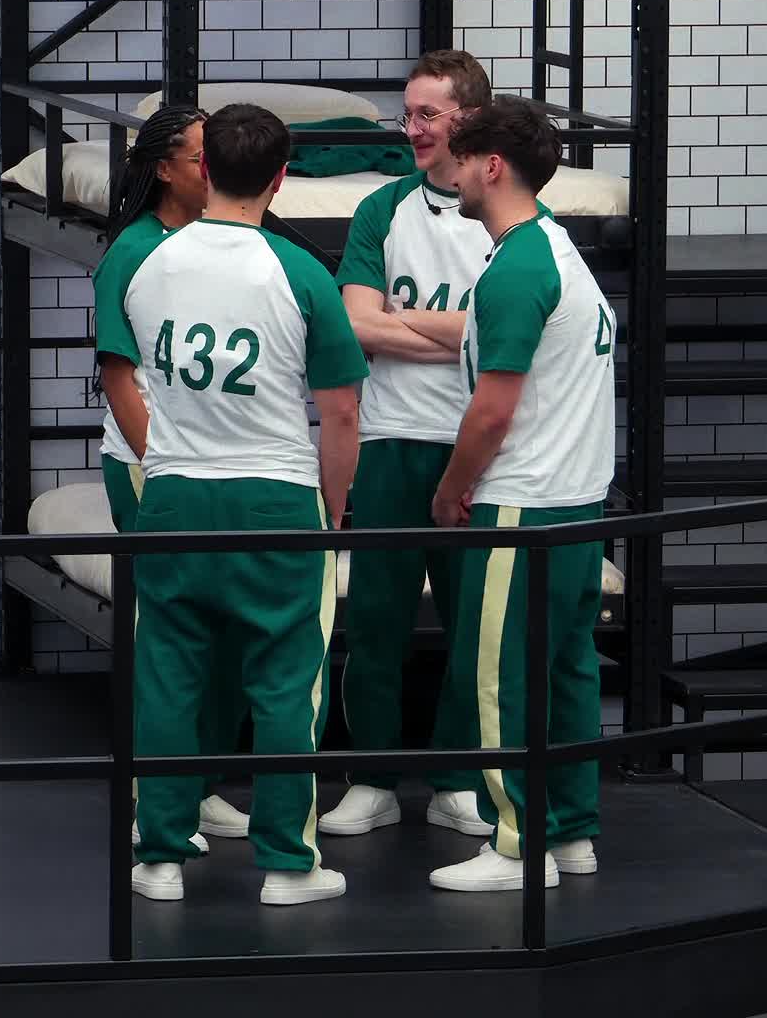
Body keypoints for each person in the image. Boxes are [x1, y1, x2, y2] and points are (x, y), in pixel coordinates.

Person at [97, 102, 370, 905]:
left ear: (206, 167)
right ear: (281, 177)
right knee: (285, 683)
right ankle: (287, 863)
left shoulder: (144, 262)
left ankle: (159, 858)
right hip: (274, 495)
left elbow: (125, 375)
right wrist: (333, 507)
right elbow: (342, 413)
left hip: (173, 493)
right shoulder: (300, 270)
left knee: (167, 679)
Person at [407, 97, 615, 892]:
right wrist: (407, 317)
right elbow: (485, 335)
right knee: (567, 674)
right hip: (577, 502)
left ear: (491, 167)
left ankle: (517, 846)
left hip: (522, 504)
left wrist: (451, 490)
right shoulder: (553, 250)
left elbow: (492, 412)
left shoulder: (518, 268)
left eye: (461, 159)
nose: (451, 172)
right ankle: (571, 833)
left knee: (498, 678)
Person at [319, 50, 497, 839]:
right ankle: (373, 778)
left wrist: (405, 324)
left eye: (428, 114)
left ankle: (460, 779)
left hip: (477, 444)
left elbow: (510, 332)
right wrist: (461, 334)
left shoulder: (505, 212)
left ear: (469, 118)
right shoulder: (381, 210)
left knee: (471, 625)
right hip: (391, 440)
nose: (411, 128)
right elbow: (355, 324)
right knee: (377, 622)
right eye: (408, 113)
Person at [92, 105, 249, 851]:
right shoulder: (132, 253)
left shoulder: (224, 241)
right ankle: (151, 799)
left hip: (217, 469)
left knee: (225, 636)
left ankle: (201, 785)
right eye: (199, 157)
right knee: (166, 638)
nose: (213, 168)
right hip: (152, 468)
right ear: (163, 170)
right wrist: (164, 468)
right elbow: (118, 379)